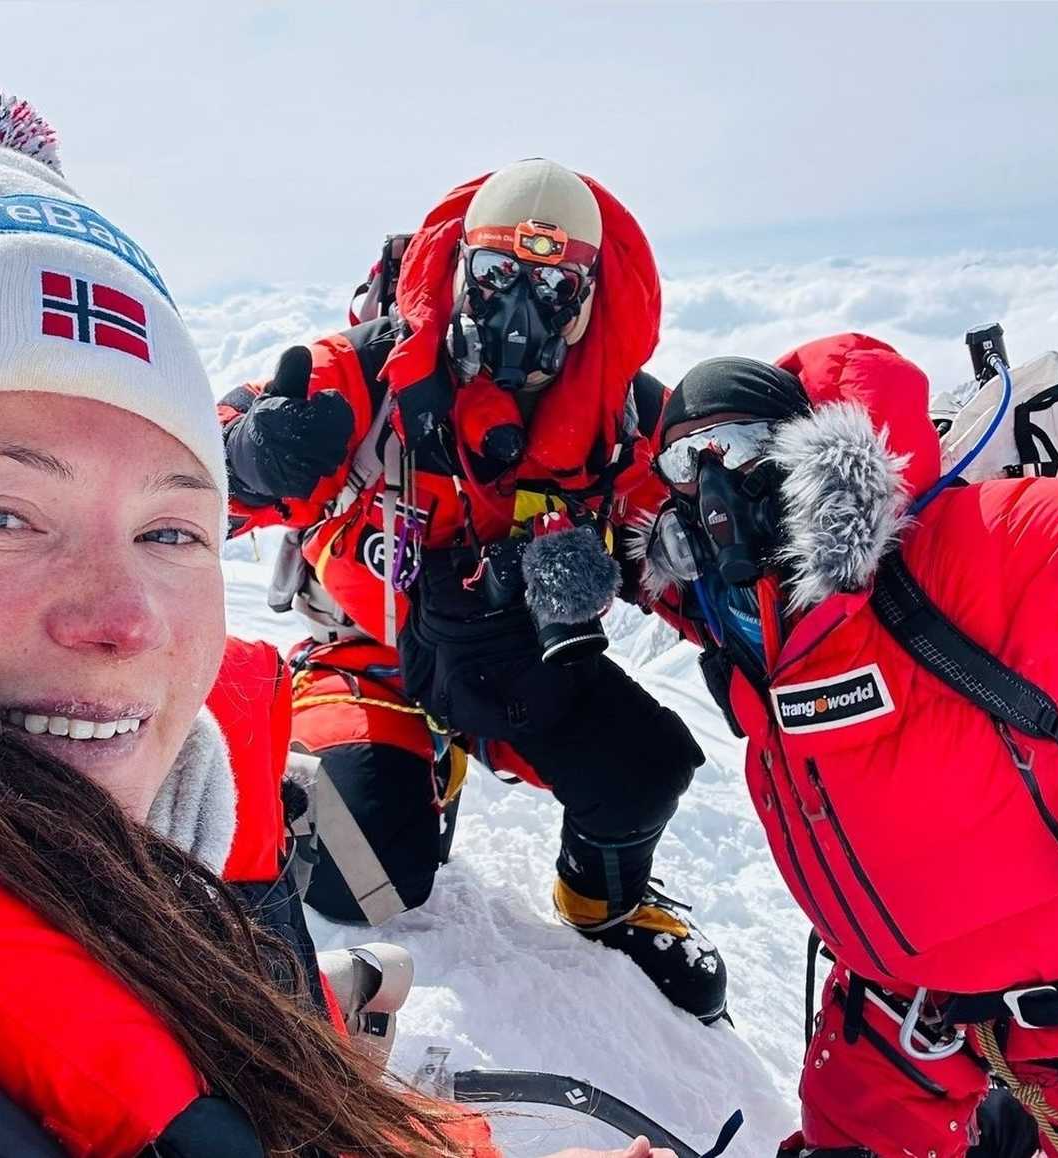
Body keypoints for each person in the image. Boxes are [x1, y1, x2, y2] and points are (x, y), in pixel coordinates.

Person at [0, 79, 501, 1158]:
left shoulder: (193, 785)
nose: (126, 619)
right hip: (366, 657)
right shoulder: (364, 383)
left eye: (170, 532)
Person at [219, 158, 727, 1021]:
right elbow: (189, 476)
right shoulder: (371, 379)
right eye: (496, 278)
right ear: (460, 272)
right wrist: (254, 454)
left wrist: (689, 565)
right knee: (362, 875)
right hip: (370, 657)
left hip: (518, 669)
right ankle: (345, 750)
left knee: (647, 767)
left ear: (588, 304)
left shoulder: (622, 422)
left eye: (554, 290)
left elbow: (676, 562)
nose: (520, 312)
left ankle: (601, 903)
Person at [640, 332, 1058, 1157]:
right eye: (685, 464)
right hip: (901, 1010)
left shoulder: (961, 549)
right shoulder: (742, 627)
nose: (712, 482)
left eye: (732, 445)